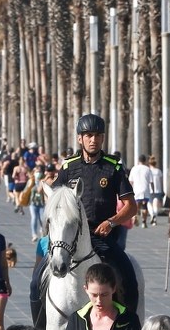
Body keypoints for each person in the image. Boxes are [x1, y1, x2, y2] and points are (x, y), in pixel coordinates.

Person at [53, 114, 140, 313]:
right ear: (79, 138)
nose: (93, 140)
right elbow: (55, 201)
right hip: (68, 237)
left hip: (103, 238)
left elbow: (131, 206)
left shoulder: (114, 167)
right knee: (36, 282)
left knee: (128, 276)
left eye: (98, 135)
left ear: (103, 138)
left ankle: (129, 325)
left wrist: (111, 222)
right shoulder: (68, 167)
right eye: (89, 135)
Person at [129, 154, 153, 228]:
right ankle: (144, 222)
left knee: (136, 206)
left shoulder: (134, 168)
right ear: (145, 161)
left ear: (138, 160)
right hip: (145, 189)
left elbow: (131, 181)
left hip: (136, 189)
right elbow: (151, 182)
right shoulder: (147, 169)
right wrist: (153, 190)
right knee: (144, 206)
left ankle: (135, 217)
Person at [147, 155, 164, 226]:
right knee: (155, 204)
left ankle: (152, 214)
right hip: (158, 190)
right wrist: (162, 189)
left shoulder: (148, 171)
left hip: (149, 190)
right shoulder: (158, 171)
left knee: (149, 203)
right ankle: (155, 217)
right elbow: (161, 181)